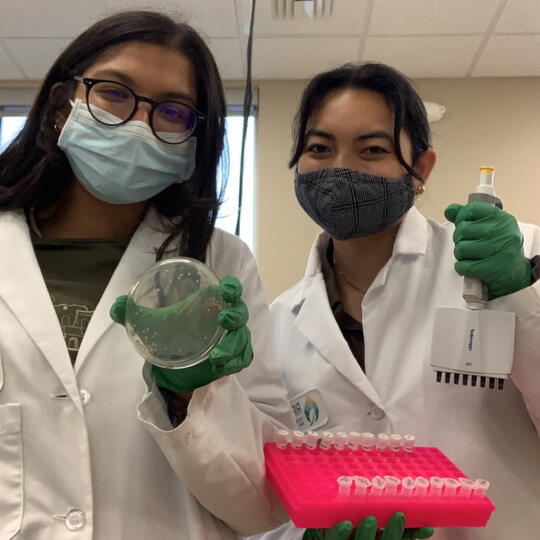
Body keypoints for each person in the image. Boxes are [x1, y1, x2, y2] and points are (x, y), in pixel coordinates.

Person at [0, 11, 294, 539]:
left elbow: (262, 507)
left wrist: (188, 397)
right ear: (61, 103)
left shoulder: (219, 264)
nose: (139, 122)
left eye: (173, 110)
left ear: (194, 143)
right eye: (114, 92)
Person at [257, 63, 540, 540]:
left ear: (421, 169)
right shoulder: (280, 323)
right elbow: (272, 500)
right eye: (319, 149)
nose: (340, 168)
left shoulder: (517, 260)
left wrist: (518, 301)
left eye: (372, 150)